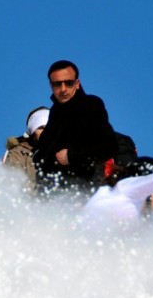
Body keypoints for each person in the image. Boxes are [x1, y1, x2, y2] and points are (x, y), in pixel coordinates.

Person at [33, 60, 118, 197]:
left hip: (82, 193)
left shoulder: (90, 105)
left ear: (77, 83)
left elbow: (109, 145)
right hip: (50, 196)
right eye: (57, 84)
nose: (63, 89)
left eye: (69, 83)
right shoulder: (55, 112)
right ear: (51, 85)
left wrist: (71, 156)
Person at [2, 106, 50, 194]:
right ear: (33, 131)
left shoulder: (64, 151)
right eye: (41, 128)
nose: (46, 132)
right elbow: (11, 182)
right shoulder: (19, 153)